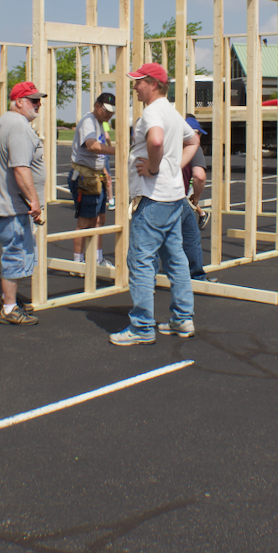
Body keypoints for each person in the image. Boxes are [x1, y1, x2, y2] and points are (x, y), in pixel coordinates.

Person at [109, 62, 201, 346]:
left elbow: (157, 142)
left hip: (152, 200)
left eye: (139, 82)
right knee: (176, 260)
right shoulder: (172, 113)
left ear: (153, 83)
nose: (134, 86)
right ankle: (182, 319)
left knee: (140, 260)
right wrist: (172, 170)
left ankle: (142, 327)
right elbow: (193, 140)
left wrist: (152, 167)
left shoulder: (152, 113)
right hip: (173, 198)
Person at [0, 80, 48, 325]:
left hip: (6, 202)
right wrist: (34, 200)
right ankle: (9, 309)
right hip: (13, 205)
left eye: (39, 100)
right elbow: (21, 169)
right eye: (33, 101)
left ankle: (9, 300)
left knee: (16, 252)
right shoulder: (19, 127)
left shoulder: (3, 121)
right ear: (19, 102)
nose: (38, 105)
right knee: (16, 254)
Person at [69, 92, 117, 270]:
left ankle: (97, 259)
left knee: (99, 219)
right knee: (85, 222)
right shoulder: (88, 121)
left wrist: (104, 170)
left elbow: (98, 149)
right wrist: (115, 151)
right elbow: (91, 145)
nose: (109, 115)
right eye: (106, 111)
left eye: (112, 112)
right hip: (85, 178)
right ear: (97, 106)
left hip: (95, 176)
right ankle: (78, 262)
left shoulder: (100, 121)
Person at [173, 115, 211, 281]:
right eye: (199, 134)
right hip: (178, 199)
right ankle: (196, 276)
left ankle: (147, 281)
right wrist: (195, 200)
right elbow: (199, 176)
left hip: (159, 197)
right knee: (191, 238)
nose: (199, 138)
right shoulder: (193, 146)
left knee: (157, 240)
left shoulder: (169, 144)